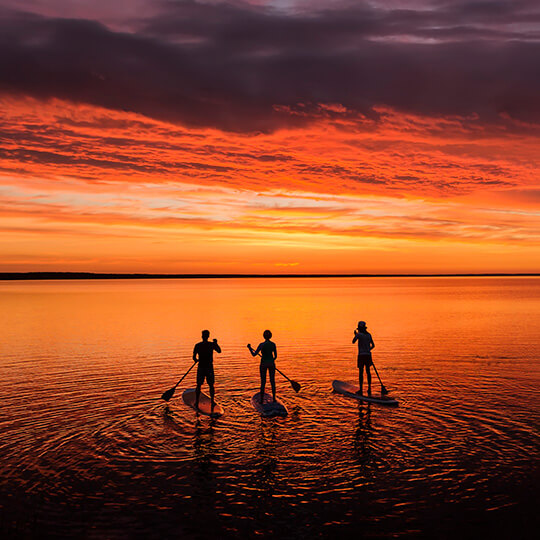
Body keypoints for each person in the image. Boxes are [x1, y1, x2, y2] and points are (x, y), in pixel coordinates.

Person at [192, 330, 221, 412]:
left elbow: (194, 357)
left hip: (201, 367)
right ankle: (212, 401)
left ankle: (197, 401)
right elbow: (219, 350)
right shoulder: (211, 345)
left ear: (202, 336)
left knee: (199, 385)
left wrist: (196, 360)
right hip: (209, 367)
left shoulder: (198, 345)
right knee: (211, 385)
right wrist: (216, 343)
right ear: (208, 336)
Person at [247, 330, 277, 403]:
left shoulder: (261, 345)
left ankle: (261, 400)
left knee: (263, 381)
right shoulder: (273, 344)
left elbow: (254, 354)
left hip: (263, 364)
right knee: (272, 381)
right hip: (271, 364)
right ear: (270, 336)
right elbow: (275, 356)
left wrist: (250, 348)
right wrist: (271, 360)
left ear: (264, 336)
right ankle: (274, 398)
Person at [353, 321, 374, 395]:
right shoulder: (369, 335)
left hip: (361, 355)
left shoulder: (359, 335)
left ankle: (361, 389)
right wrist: (368, 350)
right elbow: (373, 345)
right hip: (368, 355)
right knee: (368, 372)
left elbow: (353, 341)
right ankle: (369, 388)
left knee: (361, 372)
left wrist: (355, 335)